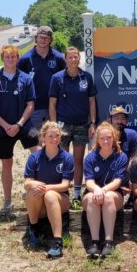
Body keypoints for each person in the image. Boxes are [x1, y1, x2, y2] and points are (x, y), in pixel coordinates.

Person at [0, 45, 38, 217]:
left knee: (39, 153)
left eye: (13, 57)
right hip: (2, 129)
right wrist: (5, 125)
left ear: (17, 58)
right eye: (7, 57)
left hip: (24, 125)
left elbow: (30, 104)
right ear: (2, 58)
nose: (10, 60)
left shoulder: (25, 78)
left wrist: (19, 124)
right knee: (6, 164)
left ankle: (37, 191)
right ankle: (8, 201)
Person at [48, 46, 97, 201]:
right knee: (61, 158)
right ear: (65, 59)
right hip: (63, 125)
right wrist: (54, 126)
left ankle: (76, 192)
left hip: (82, 124)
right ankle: (61, 190)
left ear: (79, 58)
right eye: (70, 57)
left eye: (76, 57)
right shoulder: (57, 78)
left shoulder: (86, 77)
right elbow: (52, 104)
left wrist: (93, 123)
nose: (74, 59)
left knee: (77, 159)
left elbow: (92, 102)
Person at [23, 121, 73, 259]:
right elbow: (26, 183)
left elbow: (65, 185)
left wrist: (45, 188)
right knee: (32, 190)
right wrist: (32, 185)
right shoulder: (34, 157)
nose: (54, 139)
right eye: (50, 136)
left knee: (50, 195)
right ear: (43, 137)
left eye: (57, 135)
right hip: (40, 204)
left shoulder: (67, 157)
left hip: (60, 200)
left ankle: (57, 242)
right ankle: (33, 229)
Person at [83, 121, 128, 258]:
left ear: (114, 137)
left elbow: (117, 181)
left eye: (108, 137)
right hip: (92, 192)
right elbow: (89, 182)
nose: (106, 141)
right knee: (91, 198)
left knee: (107, 197)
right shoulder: (90, 157)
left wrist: (102, 191)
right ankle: (95, 242)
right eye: (102, 138)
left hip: (113, 194)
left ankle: (109, 242)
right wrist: (96, 190)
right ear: (97, 139)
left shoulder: (121, 157)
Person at [17, 25, 66, 130]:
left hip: (56, 107)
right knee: (36, 141)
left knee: (54, 138)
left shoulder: (58, 57)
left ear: (50, 40)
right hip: (34, 107)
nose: (43, 40)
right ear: (36, 38)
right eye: (41, 37)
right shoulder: (25, 59)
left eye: (46, 38)